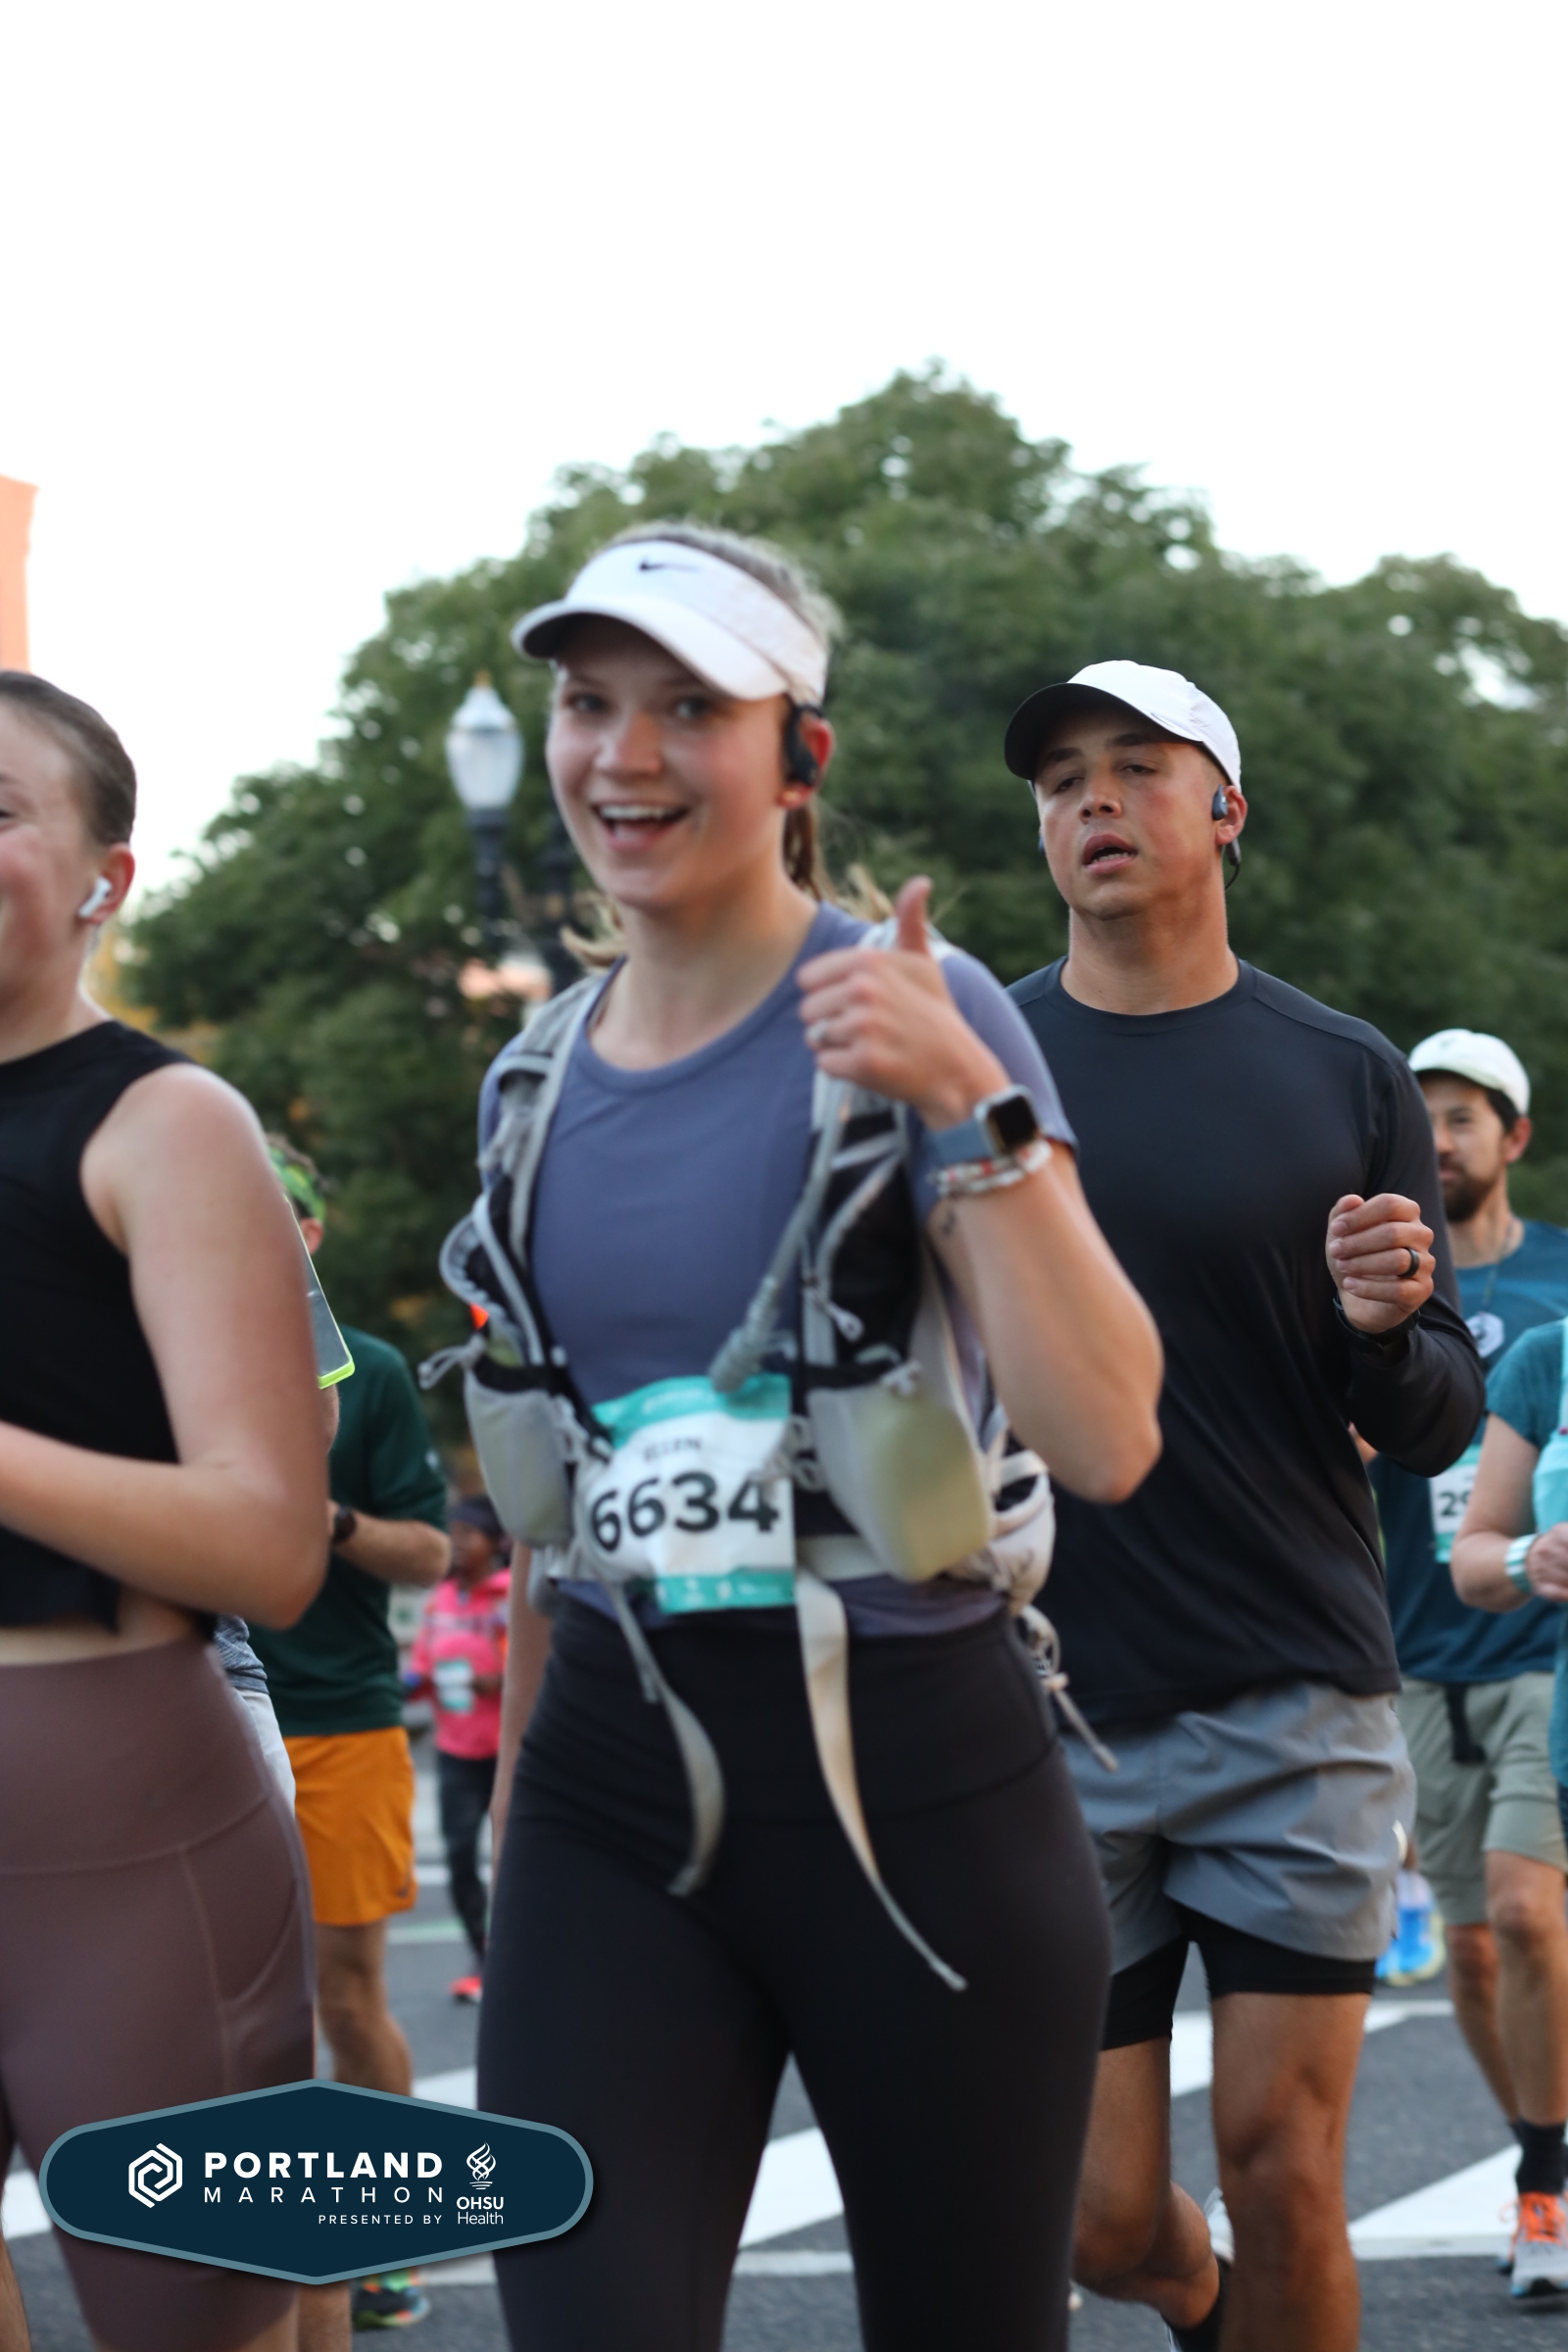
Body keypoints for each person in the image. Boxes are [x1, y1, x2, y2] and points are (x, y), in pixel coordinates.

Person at [453, 522, 1162, 2352]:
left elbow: (1107, 1433)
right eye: (588, 703)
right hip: (612, 1806)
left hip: (919, 1792)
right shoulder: (530, 1081)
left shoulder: (926, 1011)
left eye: (690, 707)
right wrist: (525, 1805)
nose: (624, 754)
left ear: (800, 755)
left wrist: (966, 1099)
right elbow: (559, 1511)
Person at [1004, 660, 1484, 2352]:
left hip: (1294, 1689)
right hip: (1045, 1699)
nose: (1094, 799)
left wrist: (1383, 1326)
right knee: (1094, 2220)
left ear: (1226, 810)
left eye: (1137, 765)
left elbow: (1434, 1415)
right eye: (1062, 777)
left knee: (1285, 2172)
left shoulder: (1343, 1071)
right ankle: (1203, 2313)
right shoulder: (979, 1066)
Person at [0, 671, 325, 2352]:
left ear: (103, 877)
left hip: (117, 1808)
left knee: (196, 2322)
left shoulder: (165, 1121)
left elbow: (271, 1542)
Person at [1369, 1028, 1568, 2295]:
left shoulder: (1560, 1283)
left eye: (1462, 1116)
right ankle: (1543, 2154)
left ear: (1513, 1137)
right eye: (1420, 1116)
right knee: (1476, 1945)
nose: (1439, 1139)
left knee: (1527, 1909)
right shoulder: (1375, 1278)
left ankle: (1544, 2189)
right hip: (1420, 1649)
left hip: (1547, 1649)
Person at [248, 1139, 450, 2338]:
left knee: (348, 1994)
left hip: (340, 1721)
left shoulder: (366, 1371)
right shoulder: (153, 1340)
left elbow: (431, 1552)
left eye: (275, 1209)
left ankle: (385, 2247)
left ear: (312, 1233)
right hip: (205, 1719)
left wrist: (321, 1518)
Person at [406, 1494, 511, 2000]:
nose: (458, 1543)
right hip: (455, 1750)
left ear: (494, 1541)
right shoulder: (439, 1602)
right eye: (453, 1534)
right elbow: (422, 1666)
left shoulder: (509, 1597)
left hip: (509, 1750)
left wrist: (499, 1682)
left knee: (515, 1856)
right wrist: (404, 1684)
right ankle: (483, 1955)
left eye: (469, 1533)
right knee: (460, 1855)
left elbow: (541, 1664)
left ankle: (517, 1956)